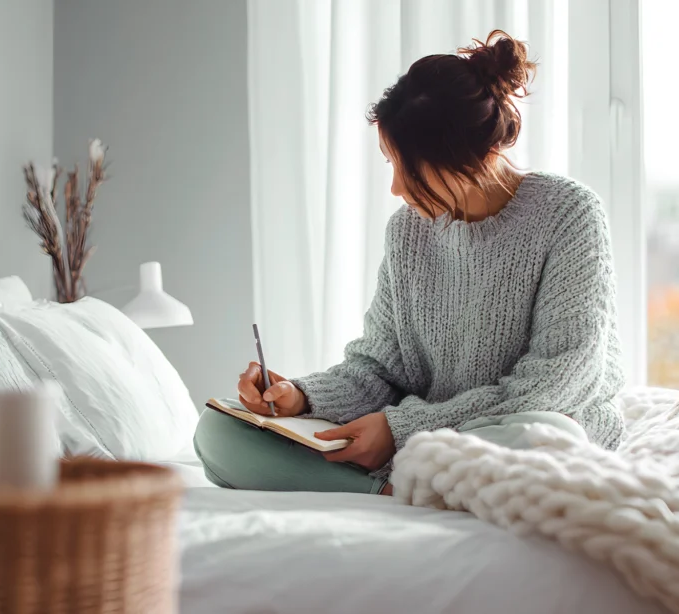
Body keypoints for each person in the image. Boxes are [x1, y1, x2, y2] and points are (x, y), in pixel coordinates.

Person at [193, 30, 625, 496]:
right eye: (389, 165)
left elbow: (555, 384)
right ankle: (402, 488)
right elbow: (378, 370)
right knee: (217, 434)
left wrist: (401, 430)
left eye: (409, 168)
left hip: (529, 425)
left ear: (465, 156)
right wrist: (300, 397)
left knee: (546, 433)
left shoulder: (569, 213)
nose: (397, 189)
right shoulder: (407, 232)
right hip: (430, 441)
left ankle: (397, 482)